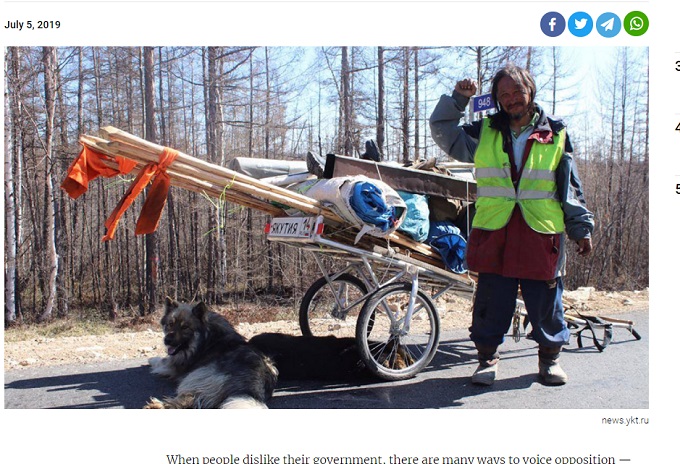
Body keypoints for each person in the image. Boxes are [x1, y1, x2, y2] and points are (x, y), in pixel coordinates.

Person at [429, 64, 594, 386]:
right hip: (495, 228)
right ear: (497, 99)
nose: (511, 99)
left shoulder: (555, 134)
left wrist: (580, 228)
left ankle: (549, 361)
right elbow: (442, 128)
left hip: (541, 229)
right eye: (503, 94)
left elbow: (569, 187)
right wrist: (459, 99)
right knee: (491, 299)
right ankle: (487, 360)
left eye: (517, 91)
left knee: (545, 300)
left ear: (530, 91)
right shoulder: (484, 131)